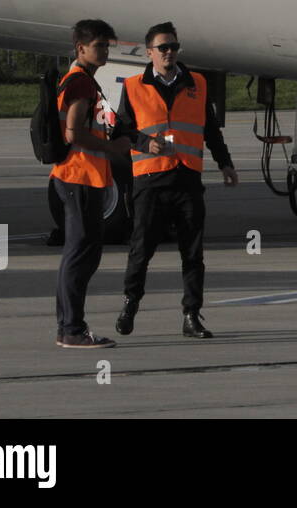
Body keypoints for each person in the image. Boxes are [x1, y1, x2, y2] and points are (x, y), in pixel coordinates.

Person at [113, 22, 238, 339]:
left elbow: (210, 129)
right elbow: (121, 131)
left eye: (174, 47)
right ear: (149, 52)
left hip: (186, 178)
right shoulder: (132, 86)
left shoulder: (197, 83)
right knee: (141, 249)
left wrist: (225, 163)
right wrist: (145, 143)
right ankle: (130, 303)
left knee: (193, 252)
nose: (170, 52)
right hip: (150, 180)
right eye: (163, 48)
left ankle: (191, 315)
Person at [51, 19, 131, 348]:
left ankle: (68, 327)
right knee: (81, 254)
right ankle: (72, 329)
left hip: (81, 177)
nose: (105, 51)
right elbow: (73, 132)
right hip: (78, 177)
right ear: (80, 48)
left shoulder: (84, 81)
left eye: (106, 45)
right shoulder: (81, 83)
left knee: (82, 253)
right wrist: (112, 148)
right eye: (99, 45)